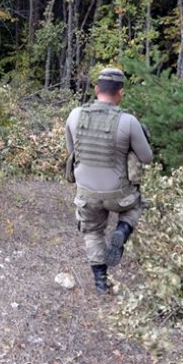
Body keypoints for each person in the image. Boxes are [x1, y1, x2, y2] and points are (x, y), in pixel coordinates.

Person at [64, 67, 153, 295]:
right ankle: (122, 230)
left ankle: (101, 282)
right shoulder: (128, 121)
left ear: (96, 90)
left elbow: (72, 152)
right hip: (119, 196)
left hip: (87, 195)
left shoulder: (75, 115)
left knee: (92, 232)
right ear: (120, 93)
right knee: (136, 205)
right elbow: (147, 158)